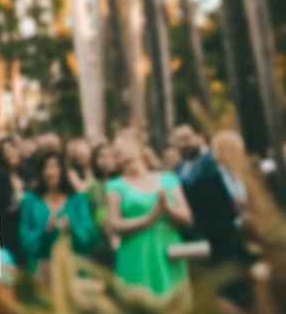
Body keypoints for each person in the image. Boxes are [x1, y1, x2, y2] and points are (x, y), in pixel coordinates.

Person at [106, 135, 193, 296]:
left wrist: (167, 208)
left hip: (168, 248)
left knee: (174, 305)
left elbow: (187, 218)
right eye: (119, 152)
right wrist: (148, 219)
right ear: (116, 160)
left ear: (140, 149)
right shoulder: (115, 186)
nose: (125, 153)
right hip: (135, 252)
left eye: (128, 146)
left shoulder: (169, 179)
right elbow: (114, 225)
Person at [171, 124, 248, 264]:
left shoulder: (211, 169)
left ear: (200, 137)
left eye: (186, 138)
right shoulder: (179, 168)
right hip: (220, 236)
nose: (182, 144)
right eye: (178, 140)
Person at [19, 151, 97, 273]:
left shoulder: (77, 199)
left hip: (74, 268)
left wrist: (72, 228)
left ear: (63, 171)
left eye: (55, 166)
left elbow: (90, 234)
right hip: (43, 269)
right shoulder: (30, 200)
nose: (51, 172)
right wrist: (45, 232)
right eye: (46, 167)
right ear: (41, 172)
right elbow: (25, 238)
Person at [0, 135, 25, 267]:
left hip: (27, 225)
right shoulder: (0, 177)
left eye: (11, 149)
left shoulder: (26, 173)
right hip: (10, 228)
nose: (9, 154)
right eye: (5, 152)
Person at [87, 142, 119, 264]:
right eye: (101, 156)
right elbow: (100, 213)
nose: (106, 160)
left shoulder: (121, 181)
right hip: (104, 243)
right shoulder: (95, 185)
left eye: (110, 156)